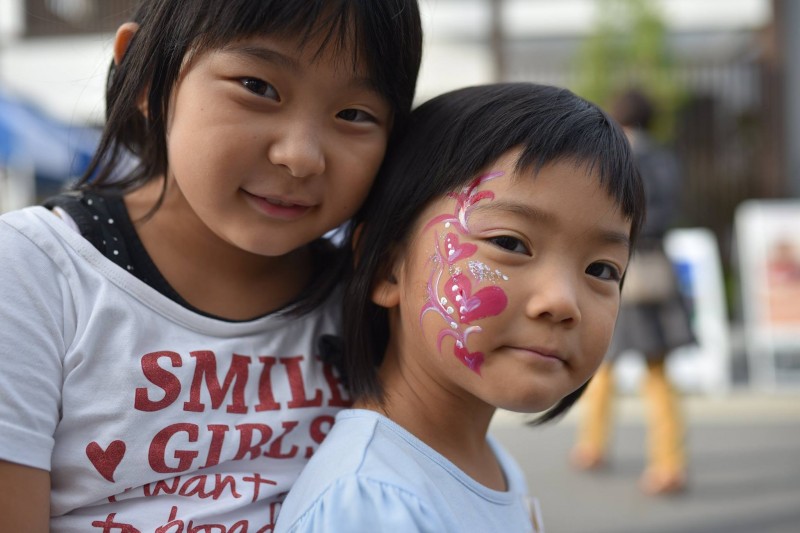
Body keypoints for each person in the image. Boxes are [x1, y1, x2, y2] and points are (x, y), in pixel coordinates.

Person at [0, 0, 422, 530]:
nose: (301, 155)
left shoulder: (376, 297)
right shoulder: (34, 272)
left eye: (354, 115)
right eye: (258, 87)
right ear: (145, 79)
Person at [274, 82, 646, 532]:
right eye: (510, 242)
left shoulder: (490, 466)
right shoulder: (370, 503)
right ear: (387, 269)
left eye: (603, 270)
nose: (563, 302)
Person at [570, 88, 695, 496]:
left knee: (601, 362)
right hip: (657, 272)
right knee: (657, 372)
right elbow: (668, 211)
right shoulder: (665, 157)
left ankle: (592, 444)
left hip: (618, 273)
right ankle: (669, 462)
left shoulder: (616, 155)